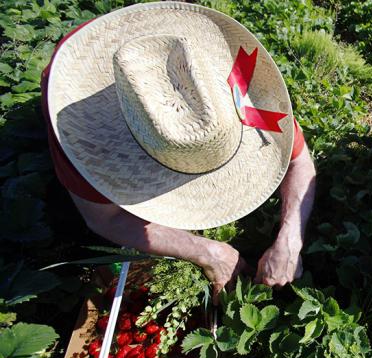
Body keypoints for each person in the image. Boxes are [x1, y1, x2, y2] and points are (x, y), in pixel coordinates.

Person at [41, 2, 316, 302]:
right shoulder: (79, 130)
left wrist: (290, 239)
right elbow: (104, 218)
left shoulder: (220, 92)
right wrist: (206, 251)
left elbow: (300, 162)